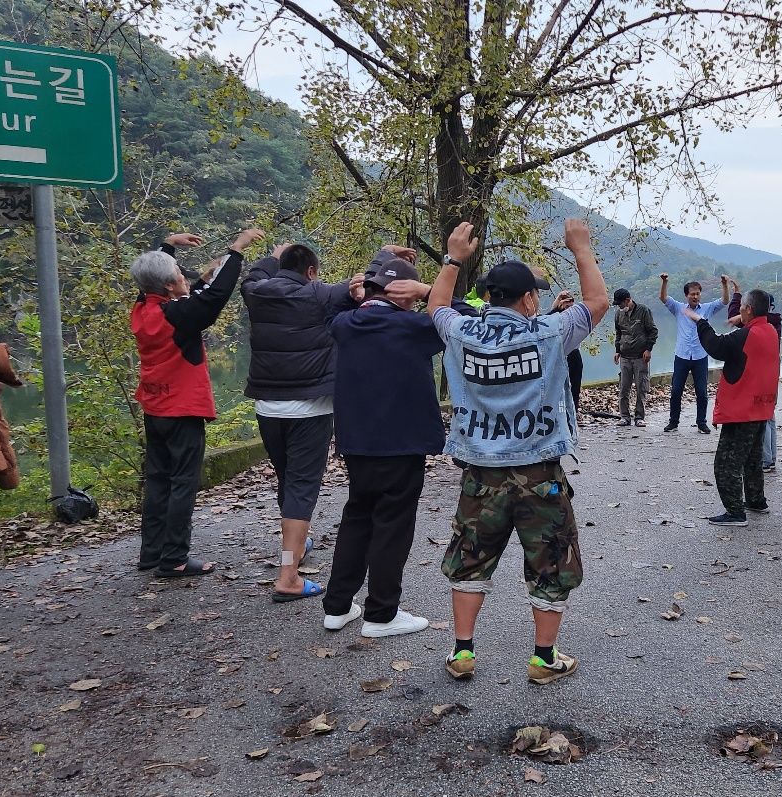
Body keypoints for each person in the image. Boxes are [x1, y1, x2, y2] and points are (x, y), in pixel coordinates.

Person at [428, 219, 609, 685]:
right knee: (551, 561)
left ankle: (462, 652)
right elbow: (597, 301)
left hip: (480, 473)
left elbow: (437, 306)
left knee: (470, 558)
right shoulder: (549, 332)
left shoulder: (462, 334)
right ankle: (543, 659)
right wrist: (581, 248)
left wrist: (452, 258)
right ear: (529, 299)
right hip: (539, 474)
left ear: (489, 298)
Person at [322, 258, 474, 636]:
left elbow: (330, 308)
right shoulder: (415, 327)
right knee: (393, 525)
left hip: (356, 443)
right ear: (405, 296)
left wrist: (352, 293)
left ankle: (337, 606)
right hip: (401, 444)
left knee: (357, 518)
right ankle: (381, 613)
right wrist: (429, 292)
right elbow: (469, 321)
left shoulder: (345, 324)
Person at [240, 242, 378, 602]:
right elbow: (361, 287)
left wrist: (274, 254)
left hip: (267, 408)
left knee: (288, 480)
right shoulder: (320, 294)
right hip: (311, 410)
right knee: (302, 487)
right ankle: (288, 576)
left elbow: (253, 274)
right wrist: (384, 257)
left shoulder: (256, 292)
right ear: (312, 271)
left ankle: (297, 546)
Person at [130, 227, 265, 578]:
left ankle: (152, 552)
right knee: (182, 482)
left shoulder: (143, 307)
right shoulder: (177, 316)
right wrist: (237, 249)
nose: (185, 277)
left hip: (154, 406)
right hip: (181, 409)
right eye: (179, 274)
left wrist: (168, 246)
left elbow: (162, 282)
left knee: (158, 479)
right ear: (168, 287)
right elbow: (215, 296)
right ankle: (174, 558)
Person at [686, 289, 779, 526]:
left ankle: (735, 512)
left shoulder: (747, 335)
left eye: (742, 308)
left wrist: (700, 321)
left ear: (748, 309)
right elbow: (745, 340)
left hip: (742, 409)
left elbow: (716, 346)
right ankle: (756, 501)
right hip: (761, 406)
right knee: (752, 459)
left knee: (726, 463)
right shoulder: (770, 330)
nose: (740, 311)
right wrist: (742, 321)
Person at [659, 273, 727, 433]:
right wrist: (664, 282)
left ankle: (701, 422)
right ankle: (673, 422)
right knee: (676, 391)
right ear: (686, 295)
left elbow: (724, 301)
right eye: (692, 294)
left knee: (702, 392)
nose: (695, 296)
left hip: (700, 355)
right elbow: (663, 298)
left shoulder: (707, 308)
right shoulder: (679, 308)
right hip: (682, 355)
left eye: (698, 293)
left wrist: (724, 285)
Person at [728, 284, 782, 472]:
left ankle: (765, 460)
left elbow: (735, 318)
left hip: (761, 375)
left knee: (763, 416)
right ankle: (770, 458)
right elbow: (735, 316)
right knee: (769, 415)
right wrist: (736, 295)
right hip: (770, 373)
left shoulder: (764, 325)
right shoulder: (772, 324)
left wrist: (737, 299)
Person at [613, 288, 658, 426]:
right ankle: (624, 417)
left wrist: (648, 349)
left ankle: (639, 417)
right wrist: (617, 350)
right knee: (623, 388)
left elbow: (653, 331)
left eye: (620, 304)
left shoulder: (643, 311)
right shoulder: (619, 314)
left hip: (640, 357)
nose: (619, 306)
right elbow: (619, 333)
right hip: (625, 357)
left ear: (628, 300)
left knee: (641, 388)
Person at [548, 288, 585, 413]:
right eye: (566, 305)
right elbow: (545, 322)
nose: (569, 308)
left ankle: (573, 411)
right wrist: (556, 304)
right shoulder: (556, 317)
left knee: (575, 386)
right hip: (558, 355)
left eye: (571, 306)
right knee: (557, 388)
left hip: (574, 354)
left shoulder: (574, 317)